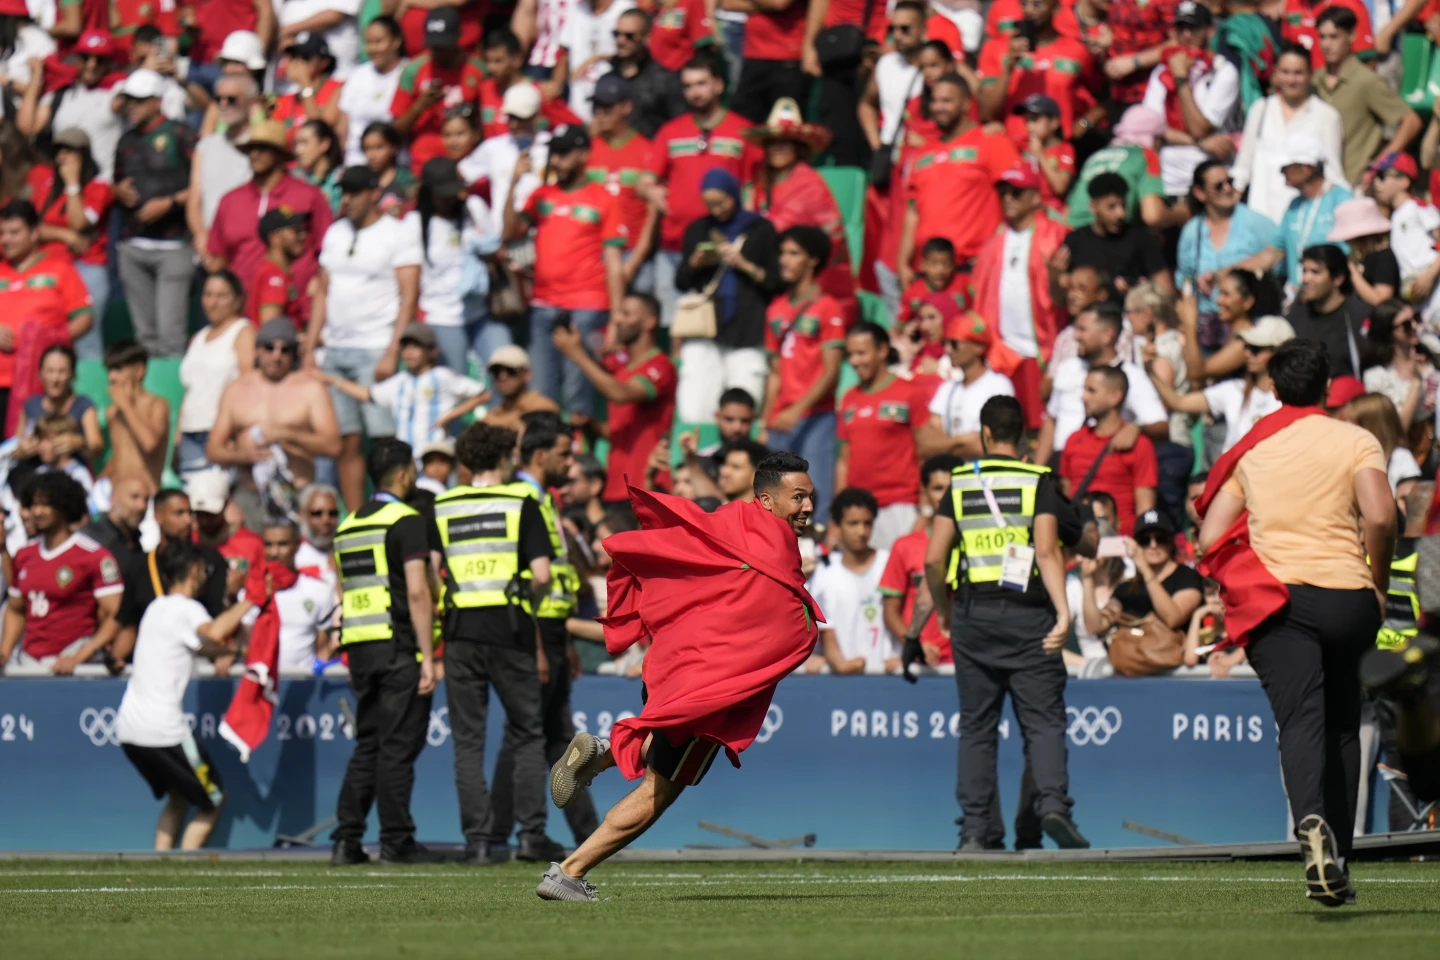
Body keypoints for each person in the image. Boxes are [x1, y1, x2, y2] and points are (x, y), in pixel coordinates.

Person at [535, 452, 821, 900]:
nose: (807, 507)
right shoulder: (779, 545)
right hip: (705, 683)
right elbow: (786, 616)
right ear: (766, 500)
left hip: (670, 662)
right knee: (660, 790)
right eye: (798, 497)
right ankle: (568, 872)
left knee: (663, 748)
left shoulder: (730, 520)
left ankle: (603, 752)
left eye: (810, 498)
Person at [1197, 338, 1395, 906]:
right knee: (1341, 726)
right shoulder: (1357, 438)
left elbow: (1210, 536)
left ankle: (1310, 825)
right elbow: (1380, 516)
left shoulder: (1254, 449)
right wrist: (1376, 581)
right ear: (1328, 386)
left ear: (1274, 387)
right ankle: (1342, 860)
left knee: (1299, 723)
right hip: (1348, 596)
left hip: (1280, 601)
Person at [924, 395, 1092, 852]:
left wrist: (943, 609)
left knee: (977, 727)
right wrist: (1062, 611)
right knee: (1043, 723)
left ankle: (976, 830)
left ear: (983, 433)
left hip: (973, 615)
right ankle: (1053, 808)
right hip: (1029, 614)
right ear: (1024, 436)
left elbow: (934, 558)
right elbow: (1047, 549)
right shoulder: (1037, 480)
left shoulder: (959, 482)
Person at [433, 423, 558, 864]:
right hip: (510, 627)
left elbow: (432, 572)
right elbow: (542, 575)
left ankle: (479, 841)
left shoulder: (442, 505)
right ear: (504, 458)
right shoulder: (520, 503)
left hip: (460, 629)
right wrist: (525, 599)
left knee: (467, 741)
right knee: (527, 734)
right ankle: (530, 835)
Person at [489, 415, 600, 850]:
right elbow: (525, 579)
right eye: (564, 453)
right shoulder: (521, 499)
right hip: (531, 631)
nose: (570, 463)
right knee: (529, 734)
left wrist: (562, 639)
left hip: (551, 631)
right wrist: (536, 641)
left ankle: (586, 833)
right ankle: (515, 833)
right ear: (539, 455)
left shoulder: (539, 498)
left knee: (552, 735)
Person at [331, 438, 438, 866]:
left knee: (370, 744)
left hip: (360, 645)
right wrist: (428, 656)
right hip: (397, 646)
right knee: (397, 746)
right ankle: (397, 840)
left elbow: (344, 589)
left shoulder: (348, 524)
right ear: (406, 472)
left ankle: (346, 839)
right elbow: (416, 590)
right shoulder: (407, 520)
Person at [114, 540, 250, 850]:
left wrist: (236, 650)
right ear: (193, 570)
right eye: (204, 570)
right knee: (214, 799)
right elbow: (213, 632)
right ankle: (186, 873)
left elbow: (203, 644)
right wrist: (250, 599)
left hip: (129, 730)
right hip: (163, 732)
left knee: (180, 796)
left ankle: (160, 866)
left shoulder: (156, 608)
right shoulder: (188, 609)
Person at [305, 165, 422, 512]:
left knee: (385, 440)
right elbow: (323, 292)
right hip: (336, 348)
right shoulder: (336, 232)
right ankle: (359, 519)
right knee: (347, 441)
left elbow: (409, 295)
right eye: (345, 191)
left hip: (375, 346)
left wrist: (392, 350)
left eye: (356, 191)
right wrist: (310, 347)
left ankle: (395, 511)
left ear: (375, 193)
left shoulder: (397, 233)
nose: (349, 198)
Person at [505, 124, 626, 417]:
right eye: (553, 154)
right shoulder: (542, 195)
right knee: (542, 394)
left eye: (564, 154)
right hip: (543, 305)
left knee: (578, 393)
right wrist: (512, 184)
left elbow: (613, 260)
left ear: (584, 154)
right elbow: (510, 232)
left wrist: (617, 318)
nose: (556, 161)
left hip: (587, 306)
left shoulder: (603, 198)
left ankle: (579, 456)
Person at [645, 56, 761, 326]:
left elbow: (752, 186)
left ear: (718, 85)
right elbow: (646, 180)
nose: (694, 92)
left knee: (720, 323)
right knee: (674, 325)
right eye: (688, 86)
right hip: (674, 245)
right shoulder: (670, 131)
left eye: (701, 84)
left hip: (724, 246)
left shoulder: (743, 131)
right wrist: (651, 192)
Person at [207, 320, 342, 530]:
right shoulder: (236, 389)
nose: (277, 356)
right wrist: (242, 456)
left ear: (293, 355)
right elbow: (213, 449)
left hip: (298, 494)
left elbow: (333, 445)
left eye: (285, 350)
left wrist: (287, 434)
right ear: (257, 351)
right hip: (250, 494)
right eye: (270, 347)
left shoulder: (311, 389)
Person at [674, 167, 781, 425]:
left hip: (747, 327)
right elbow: (681, 282)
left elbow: (776, 283)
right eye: (710, 204)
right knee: (696, 405)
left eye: (722, 202)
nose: (717, 210)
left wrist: (744, 265)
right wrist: (696, 262)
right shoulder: (698, 229)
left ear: (735, 195)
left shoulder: (761, 230)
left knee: (744, 404)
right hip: (705, 328)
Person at [898, 75, 1021, 290]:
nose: (938, 107)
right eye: (935, 101)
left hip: (973, 267)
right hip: (926, 272)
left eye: (946, 101)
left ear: (966, 104)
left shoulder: (992, 141)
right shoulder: (922, 153)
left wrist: (998, 251)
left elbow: (1017, 198)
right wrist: (903, 262)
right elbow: (912, 211)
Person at [204, 118, 332, 323]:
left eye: (263, 148)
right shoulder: (230, 200)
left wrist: (318, 284)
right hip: (241, 314)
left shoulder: (308, 196)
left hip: (295, 309)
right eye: (251, 149)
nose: (254, 155)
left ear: (280, 154)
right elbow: (217, 257)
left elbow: (328, 249)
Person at [84, 488, 230, 669]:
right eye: (179, 513)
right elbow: (126, 621)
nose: (188, 521)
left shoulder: (210, 560)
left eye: (189, 513)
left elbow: (220, 617)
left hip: (201, 664)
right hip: (154, 665)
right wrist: (113, 657)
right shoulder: (140, 564)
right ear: (158, 517)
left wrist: (229, 653)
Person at [553, 292, 677, 504]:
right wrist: (591, 424)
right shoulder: (619, 370)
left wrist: (577, 354)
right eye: (618, 313)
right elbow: (619, 433)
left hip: (649, 488)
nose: (617, 320)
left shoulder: (661, 366)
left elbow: (620, 394)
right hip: (615, 489)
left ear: (650, 322)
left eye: (627, 314)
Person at [761, 225, 845, 524]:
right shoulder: (775, 309)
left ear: (813, 260)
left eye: (793, 253)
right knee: (776, 501)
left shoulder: (828, 307)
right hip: (781, 420)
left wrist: (798, 409)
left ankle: (816, 552)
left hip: (816, 417)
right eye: (782, 253)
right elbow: (774, 372)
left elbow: (831, 371)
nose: (784, 260)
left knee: (814, 494)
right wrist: (765, 419)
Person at [972, 164, 1066, 429]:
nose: (1007, 199)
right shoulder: (996, 238)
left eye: (1015, 192)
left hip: (1042, 351)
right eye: (1003, 193)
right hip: (1003, 353)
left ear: (1035, 197)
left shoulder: (1055, 234)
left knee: (1043, 426)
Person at [746, 97, 856, 321]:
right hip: (765, 274)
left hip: (809, 284)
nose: (777, 148)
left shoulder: (810, 184)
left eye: (785, 142)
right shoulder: (759, 184)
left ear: (798, 147)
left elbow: (832, 240)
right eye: (772, 143)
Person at [0, 472, 122, 671]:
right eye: (34, 505)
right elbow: (16, 609)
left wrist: (79, 657)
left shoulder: (94, 556)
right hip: (29, 663)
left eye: (45, 505)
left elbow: (115, 614)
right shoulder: (24, 555)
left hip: (73, 666)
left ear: (64, 506)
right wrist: (4, 652)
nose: (37, 512)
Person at [112, 68, 193, 359]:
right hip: (133, 245)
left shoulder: (180, 133)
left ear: (157, 101)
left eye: (139, 100)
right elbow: (117, 181)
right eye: (129, 100)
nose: (132, 106)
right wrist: (118, 191)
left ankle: (173, 401)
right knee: (144, 338)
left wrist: (169, 203)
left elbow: (201, 183)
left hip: (173, 244)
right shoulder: (125, 140)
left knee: (171, 336)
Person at [316, 322, 488, 454]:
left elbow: (482, 394)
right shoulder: (400, 381)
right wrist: (332, 379)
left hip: (435, 453)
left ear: (432, 351)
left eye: (416, 347)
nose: (409, 352)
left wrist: (450, 416)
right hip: (406, 455)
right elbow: (368, 394)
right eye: (406, 347)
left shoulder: (442, 376)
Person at [1035, 302, 1168, 468]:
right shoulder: (1067, 368)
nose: (1076, 336)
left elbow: (1160, 425)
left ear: (1107, 335)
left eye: (1083, 330)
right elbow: (1051, 421)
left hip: (1099, 464)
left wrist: (1136, 428)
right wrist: (1037, 470)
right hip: (1060, 462)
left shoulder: (1132, 377)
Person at [0, 199, 93, 430]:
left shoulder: (60, 269)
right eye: (2, 233)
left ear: (35, 233)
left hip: (40, 385)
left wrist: (49, 340)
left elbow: (84, 318)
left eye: (14, 232)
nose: (6, 240)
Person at [1231, 44, 1348, 227]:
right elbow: (1243, 165)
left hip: (1302, 221)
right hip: (1259, 216)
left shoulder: (1326, 115)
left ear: (1310, 74)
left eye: (1298, 73)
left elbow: (1333, 172)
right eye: (1285, 72)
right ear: (1276, 73)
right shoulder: (1261, 109)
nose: (1291, 80)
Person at [836, 323, 924, 550]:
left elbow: (925, 453)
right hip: (859, 512)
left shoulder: (910, 393)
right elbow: (843, 461)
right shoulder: (849, 399)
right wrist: (837, 515)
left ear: (883, 351)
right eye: (851, 354)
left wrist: (926, 511)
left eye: (861, 353)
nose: (854, 361)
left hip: (900, 506)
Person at [1137, 2, 1239, 199]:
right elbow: (1151, 127)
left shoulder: (1223, 71)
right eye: (1181, 29)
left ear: (1209, 31)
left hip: (1208, 178)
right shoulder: (1161, 71)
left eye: (1193, 29)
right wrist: (1200, 143)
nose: (1186, 36)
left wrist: (1181, 80)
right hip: (1166, 177)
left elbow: (1200, 127)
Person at [1311, 7, 1420, 187]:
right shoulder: (1315, 80)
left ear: (1352, 36)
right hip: (1319, 184)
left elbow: (1411, 122)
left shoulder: (1366, 80)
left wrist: (1379, 164)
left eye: (1334, 36)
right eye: (1322, 37)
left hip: (1352, 182)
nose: (1326, 44)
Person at [1152, 314, 1292, 454]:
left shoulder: (1293, 399)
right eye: (1246, 347)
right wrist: (1148, 368)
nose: (1248, 353)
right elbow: (1178, 402)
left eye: (1256, 349)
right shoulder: (1235, 389)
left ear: (1279, 353)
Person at [1236, 134, 1352, 293]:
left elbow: (1353, 255)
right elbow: (1271, 254)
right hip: (1298, 299)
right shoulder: (1295, 205)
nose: (1281, 170)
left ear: (1307, 169)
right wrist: (1226, 271)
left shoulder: (1343, 200)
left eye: (1286, 166)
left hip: (1334, 299)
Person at [35, 128, 111, 360]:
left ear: (84, 155)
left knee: (85, 339)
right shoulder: (47, 186)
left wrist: (72, 184)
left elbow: (79, 223)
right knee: (52, 339)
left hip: (86, 268)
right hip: (52, 270)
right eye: (59, 152)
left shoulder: (99, 187)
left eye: (70, 152)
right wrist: (64, 236)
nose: (62, 158)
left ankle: (89, 394)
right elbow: (32, 229)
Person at [880, 455, 962, 670]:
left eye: (952, 488)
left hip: (968, 662)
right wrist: (915, 643)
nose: (945, 496)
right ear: (924, 492)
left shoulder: (976, 543)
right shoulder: (904, 546)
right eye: (937, 488)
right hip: (922, 664)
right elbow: (890, 612)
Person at [807, 487, 897, 674]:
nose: (862, 531)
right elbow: (826, 628)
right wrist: (841, 664)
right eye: (853, 523)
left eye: (867, 523)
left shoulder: (890, 562)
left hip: (888, 674)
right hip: (843, 679)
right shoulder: (825, 571)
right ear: (837, 526)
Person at [16, 29, 125, 181]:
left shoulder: (118, 89)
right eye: (85, 57)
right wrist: (36, 78)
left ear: (109, 63)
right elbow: (27, 127)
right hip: (62, 185)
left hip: (99, 187)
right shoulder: (61, 94)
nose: (92, 65)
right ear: (77, 59)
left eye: (100, 60)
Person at [1176, 161, 1278, 321]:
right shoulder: (1191, 231)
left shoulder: (1258, 224)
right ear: (1199, 192)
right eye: (1218, 186)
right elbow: (1184, 278)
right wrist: (1196, 284)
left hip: (1250, 321)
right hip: (1208, 323)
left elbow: (1278, 264)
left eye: (1230, 182)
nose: (1228, 189)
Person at [389, 8, 486, 173]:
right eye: (434, 45)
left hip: (469, 164)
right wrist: (421, 105)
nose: (439, 51)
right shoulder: (413, 70)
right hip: (425, 164)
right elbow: (396, 130)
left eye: (444, 44)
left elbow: (487, 122)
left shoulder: (478, 70)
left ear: (458, 37)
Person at [177, 271, 254, 476]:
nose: (212, 302)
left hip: (222, 433)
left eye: (221, 296)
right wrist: (178, 434)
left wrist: (236, 433)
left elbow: (249, 385)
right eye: (208, 295)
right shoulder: (198, 338)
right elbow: (189, 390)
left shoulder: (243, 331)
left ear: (237, 300)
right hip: (190, 432)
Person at [1084, 509, 1203, 638]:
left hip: (1176, 656)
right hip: (1132, 655)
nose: (1153, 545)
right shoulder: (1128, 587)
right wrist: (1087, 578)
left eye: (1160, 538)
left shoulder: (1188, 576)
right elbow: (1095, 626)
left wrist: (1146, 570)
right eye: (1145, 540)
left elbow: (1173, 619)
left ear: (1170, 542)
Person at [244, 519, 338, 674]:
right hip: (260, 684)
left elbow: (322, 648)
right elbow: (243, 641)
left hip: (301, 685)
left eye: (282, 544)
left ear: (297, 546)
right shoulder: (247, 593)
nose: (274, 552)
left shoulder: (320, 590)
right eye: (268, 545)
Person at [1060, 173, 1171, 292]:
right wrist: (1056, 276)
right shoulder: (1075, 241)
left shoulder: (1142, 239)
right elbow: (1059, 297)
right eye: (1111, 207)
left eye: (1123, 205)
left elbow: (1165, 289)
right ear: (1093, 206)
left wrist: (1139, 292)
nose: (1120, 214)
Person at [1065, 105, 1168, 231]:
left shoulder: (1097, 155)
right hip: (1110, 236)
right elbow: (1153, 216)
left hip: (1073, 234)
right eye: (1162, 141)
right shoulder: (1147, 155)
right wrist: (1183, 213)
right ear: (1155, 139)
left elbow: (1069, 210)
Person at [99, 339, 169, 499]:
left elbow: (150, 444)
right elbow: (120, 455)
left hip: (146, 498)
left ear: (139, 370)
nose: (112, 377)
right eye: (109, 370)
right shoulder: (113, 412)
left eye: (118, 369)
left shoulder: (157, 405)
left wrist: (125, 405)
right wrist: (98, 482)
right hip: (117, 498)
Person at [1284, 244, 1368, 378]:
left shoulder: (1359, 317)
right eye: (1304, 271)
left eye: (1315, 272)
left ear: (1338, 279)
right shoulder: (1294, 318)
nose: (1306, 279)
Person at [13, 344, 103, 465]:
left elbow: (96, 447)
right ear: (40, 374)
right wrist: (24, 450)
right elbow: (15, 447)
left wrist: (79, 443)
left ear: (73, 375)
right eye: (50, 371)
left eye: (62, 372)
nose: (55, 379)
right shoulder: (31, 405)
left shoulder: (83, 405)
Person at [187, 469, 265, 605]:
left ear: (225, 505)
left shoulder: (252, 543)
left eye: (210, 514)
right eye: (199, 514)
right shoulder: (188, 543)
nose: (204, 520)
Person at [337, 16, 406, 167]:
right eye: (368, 43)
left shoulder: (407, 72)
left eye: (378, 42)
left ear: (396, 41)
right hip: (355, 161)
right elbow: (344, 124)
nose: (372, 48)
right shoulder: (358, 75)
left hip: (393, 163)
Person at [605, 8, 684, 138]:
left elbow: (680, 127)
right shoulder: (607, 80)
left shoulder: (666, 80)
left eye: (629, 36)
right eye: (616, 34)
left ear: (646, 36)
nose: (620, 41)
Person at [1361, 301, 1425, 432]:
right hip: (1414, 446)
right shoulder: (1376, 376)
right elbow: (1398, 429)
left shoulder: (1432, 351)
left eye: (1416, 318)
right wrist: (1416, 382)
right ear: (1389, 332)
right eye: (1406, 324)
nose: (1414, 326)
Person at [481, 345, 561, 431]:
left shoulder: (543, 406)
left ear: (527, 375)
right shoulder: (493, 414)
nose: (502, 377)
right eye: (496, 371)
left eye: (511, 371)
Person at [79, 476, 149, 572]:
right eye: (134, 497)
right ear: (113, 498)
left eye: (146, 500)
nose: (142, 506)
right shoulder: (90, 538)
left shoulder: (136, 540)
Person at [295, 483, 341, 594]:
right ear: (302, 515)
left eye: (332, 513)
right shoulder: (293, 555)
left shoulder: (346, 552)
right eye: (317, 513)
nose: (326, 520)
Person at [294, 118, 344, 212]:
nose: (298, 150)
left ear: (324, 144)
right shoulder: (296, 178)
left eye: (304, 142)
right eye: (296, 144)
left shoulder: (340, 179)